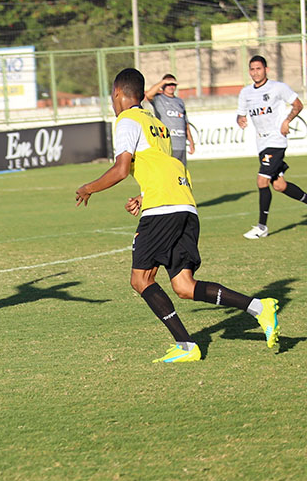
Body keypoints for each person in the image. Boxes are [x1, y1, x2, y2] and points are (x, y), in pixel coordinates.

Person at [75, 68, 280, 362]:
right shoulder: (156, 124)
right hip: (184, 203)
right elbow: (163, 166)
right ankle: (259, 308)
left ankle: (186, 345)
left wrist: (88, 188)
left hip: (163, 209)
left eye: (111, 96)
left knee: (140, 279)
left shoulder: (126, 120)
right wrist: (143, 197)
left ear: (118, 93)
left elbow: (121, 169)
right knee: (184, 286)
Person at [237, 55, 307, 239]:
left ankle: (262, 227)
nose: (255, 72)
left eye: (258, 68)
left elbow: (298, 104)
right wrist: (241, 119)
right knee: (279, 185)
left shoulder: (278, 87)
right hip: (261, 144)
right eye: (252, 69)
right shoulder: (245, 93)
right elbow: (240, 114)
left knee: (262, 181)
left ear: (266, 70)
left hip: (276, 142)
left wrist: (287, 121)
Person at [144, 73, 195, 165]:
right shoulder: (159, 99)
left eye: (173, 84)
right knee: (169, 172)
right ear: (163, 86)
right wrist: (163, 81)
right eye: (168, 84)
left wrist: (191, 141)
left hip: (181, 144)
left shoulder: (180, 101)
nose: (171, 87)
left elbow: (185, 123)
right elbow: (148, 94)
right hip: (167, 143)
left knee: (181, 174)